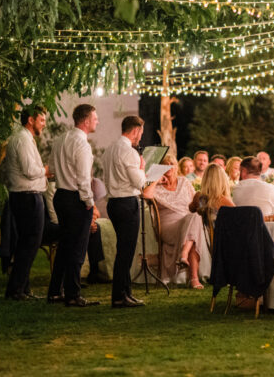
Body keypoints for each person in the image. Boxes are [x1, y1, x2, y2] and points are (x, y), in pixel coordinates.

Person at [47, 103, 99, 307]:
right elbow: (83, 178)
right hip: (76, 198)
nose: (97, 121)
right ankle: (72, 294)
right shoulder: (82, 145)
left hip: (60, 196)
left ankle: (54, 291)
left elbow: (50, 168)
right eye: (95, 118)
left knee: (65, 246)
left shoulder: (60, 139)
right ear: (86, 121)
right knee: (77, 247)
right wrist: (89, 202)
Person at [102, 115, 153, 308]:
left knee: (124, 249)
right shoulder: (130, 152)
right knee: (126, 251)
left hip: (113, 202)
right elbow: (139, 183)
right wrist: (142, 168)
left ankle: (126, 293)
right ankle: (118, 296)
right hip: (126, 202)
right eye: (140, 132)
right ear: (135, 131)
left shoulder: (109, 150)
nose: (141, 136)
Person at [2, 105, 51, 300]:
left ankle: (22, 289)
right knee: (30, 242)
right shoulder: (22, 139)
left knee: (27, 242)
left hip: (27, 195)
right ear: (30, 120)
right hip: (26, 196)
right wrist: (45, 170)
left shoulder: (25, 138)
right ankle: (15, 290)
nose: (44, 125)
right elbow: (30, 170)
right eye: (41, 120)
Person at [143, 154, 209, 289]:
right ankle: (193, 278)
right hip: (167, 226)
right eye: (165, 165)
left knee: (194, 219)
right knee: (193, 226)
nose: (169, 167)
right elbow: (146, 195)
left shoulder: (184, 182)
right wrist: (155, 179)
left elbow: (194, 204)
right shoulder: (156, 186)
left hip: (187, 221)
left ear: (176, 166)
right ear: (160, 168)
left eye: (171, 164)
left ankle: (184, 256)